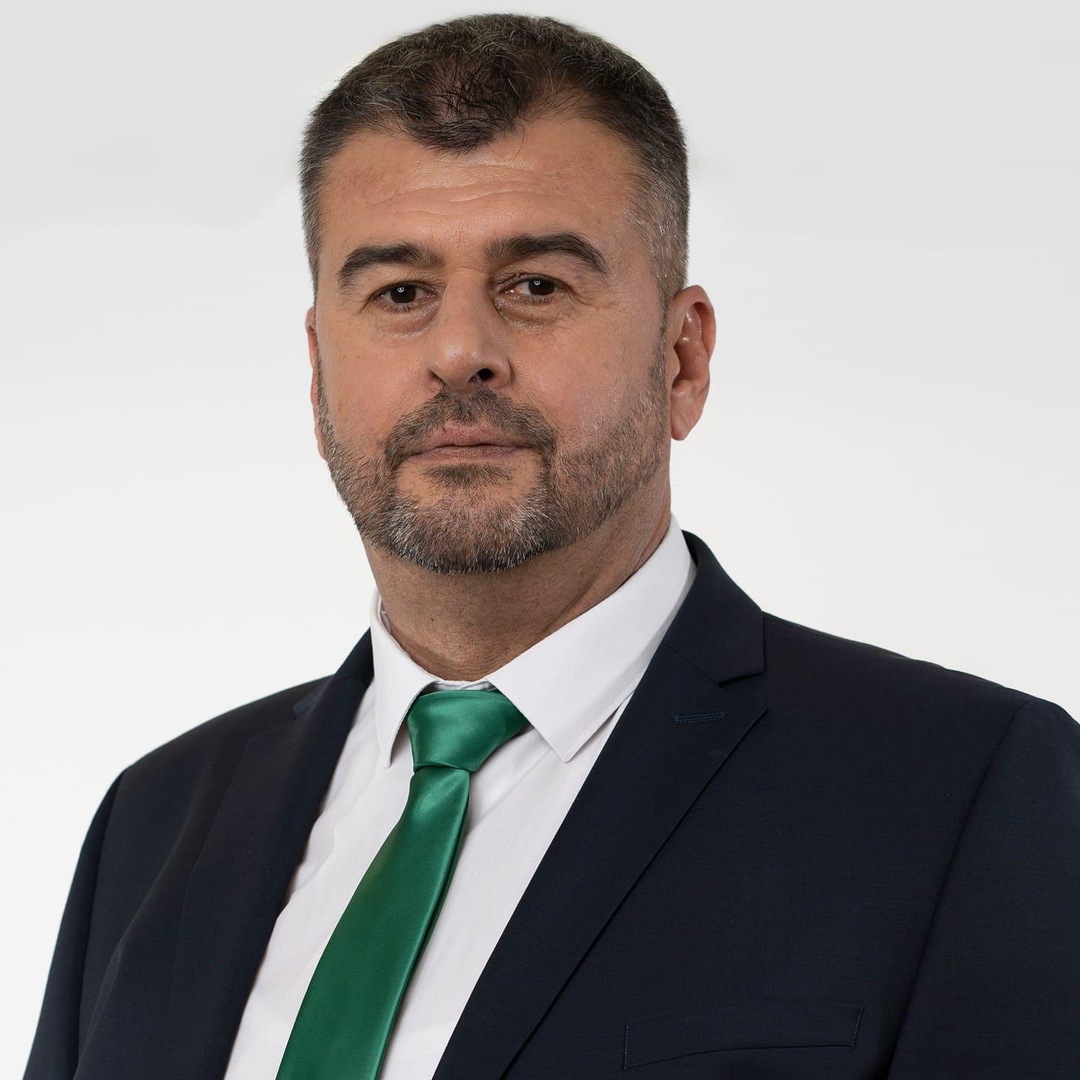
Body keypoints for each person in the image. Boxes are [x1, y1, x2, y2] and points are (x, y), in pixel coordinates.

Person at [24, 13, 1080, 1080]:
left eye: (536, 285)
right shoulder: (153, 824)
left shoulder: (960, 792)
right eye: (399, 293)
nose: (459, 352)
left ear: (682, 359)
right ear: (316, 371)